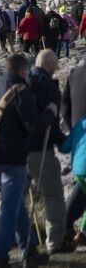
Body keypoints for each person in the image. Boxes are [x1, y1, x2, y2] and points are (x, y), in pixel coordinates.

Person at [0, 55, 44, 267]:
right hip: (13, 158)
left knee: (15, 204)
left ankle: (29, 249)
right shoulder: (21, 91)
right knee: (9, 209)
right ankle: (0, 256)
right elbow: (31, 125)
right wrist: (48, 116)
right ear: (23, 71)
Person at [27, 50, 70, 253]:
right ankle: (55, 241)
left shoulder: (23, 81)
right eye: (56, 65)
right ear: (50, 65)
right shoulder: (49, 87)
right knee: (53, 195)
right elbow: (51, 125)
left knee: (15, 194)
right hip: (41, 148)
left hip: (18, 150)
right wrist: (64, 142)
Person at [63, 57, 86, 243]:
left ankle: (66, 223)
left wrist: (74, 130)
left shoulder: (73, 75)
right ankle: (81, 232)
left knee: (82, 188)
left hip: (79, 140)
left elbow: (64, 109)